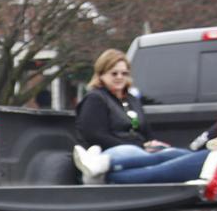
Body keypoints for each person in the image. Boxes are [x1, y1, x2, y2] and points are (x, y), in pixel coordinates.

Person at [72, 49, 208, 184]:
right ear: (101, 75)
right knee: (137, 152)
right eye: (114, 73)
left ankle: (202, 168)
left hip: (138, 150)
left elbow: (145, 131)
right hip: (112, 151)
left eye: (124, 73)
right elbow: (94, 135)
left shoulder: (132, 100)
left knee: (172, 153)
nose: (120, 77)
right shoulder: (96, 98)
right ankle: (100, 168)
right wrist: (139, 146)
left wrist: (151, 143)